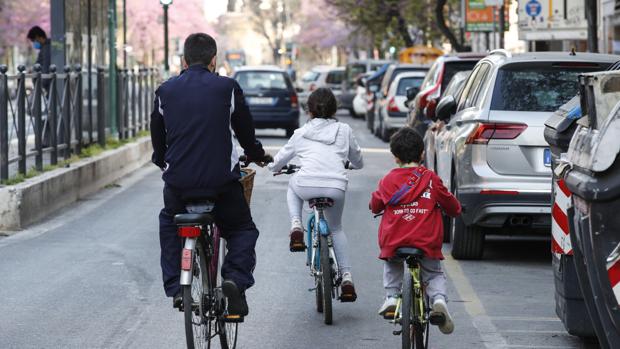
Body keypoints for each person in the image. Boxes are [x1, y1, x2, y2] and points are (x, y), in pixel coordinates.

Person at [150, 33, 272, 318]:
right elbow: (245, 133)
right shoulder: (227, 88)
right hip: (220, 183)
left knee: (169, 222)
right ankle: (234, 280)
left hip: (179, 185)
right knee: (242, 229)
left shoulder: (165, 91)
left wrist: (163, 162)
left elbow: (158, 138)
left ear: (183, 60)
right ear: (214, 60)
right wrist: (256, 154)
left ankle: (175, 286)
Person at [267, 88, 364, 300]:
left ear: (309, 110)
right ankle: (346, 276)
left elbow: (276, 164)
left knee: (293, 185)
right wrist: (350, 164)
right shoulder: (344, 130)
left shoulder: (300, 133)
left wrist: (275, 168)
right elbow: (358, 161)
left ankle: (295, 224)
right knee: (336, 228)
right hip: (335, 187)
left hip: (306, 184)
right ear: (334, 108)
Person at [369, 127, 461, 334]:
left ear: (395, 157)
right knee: (434, 272)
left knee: (392, 264)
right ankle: (438, 301)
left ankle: (392, 297)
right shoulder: (431, 179)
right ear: (421, 154)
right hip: (425, 240)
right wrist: (455, 210)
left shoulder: (387, 180)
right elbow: (453, 207)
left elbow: (375, 206)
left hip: (395, 240)